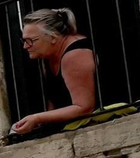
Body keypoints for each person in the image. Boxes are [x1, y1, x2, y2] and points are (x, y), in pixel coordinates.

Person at [11, 8, 96, 137]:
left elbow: (84, 107)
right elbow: (53, 103)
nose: (25, 46)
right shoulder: (47, 57)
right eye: (24, 40)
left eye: (31, 40)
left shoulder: (75, 54)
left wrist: (37, 118)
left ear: (53, 37)